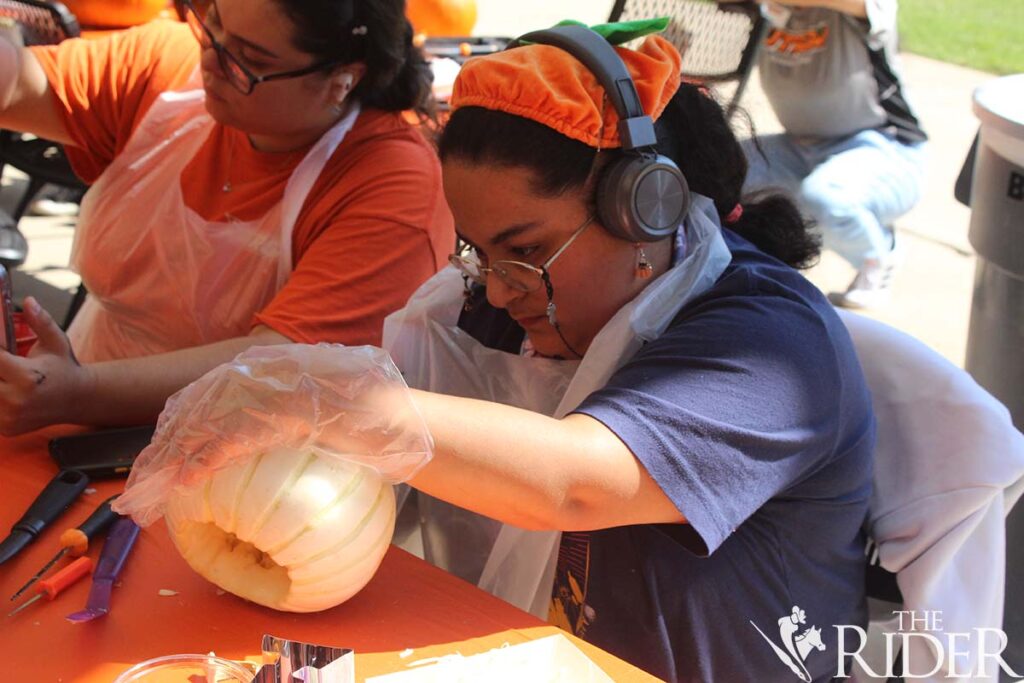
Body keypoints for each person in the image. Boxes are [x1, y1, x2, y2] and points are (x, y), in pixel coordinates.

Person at [116, 25, 874, 682]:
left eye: (528, 250)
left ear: (647, 207)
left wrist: (336, 397)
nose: (502, 290)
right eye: (478, 252)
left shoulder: (771, 347)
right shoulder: (496, 308)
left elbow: (573, 481)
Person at [0, 0, 453, 434]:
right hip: (65, 404)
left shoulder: (395, 185)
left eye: (249, 60)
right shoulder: (170, 70)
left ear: (343, 79)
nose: (212, 60)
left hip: (244, 460)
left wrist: (80, 392)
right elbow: (18, 82)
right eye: (212, 23)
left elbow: (279, 367)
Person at [734, 0, 928, 309]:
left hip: (885, 151)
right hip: (796, 148)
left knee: (828, 198)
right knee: (724, 174)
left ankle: (879, 253)